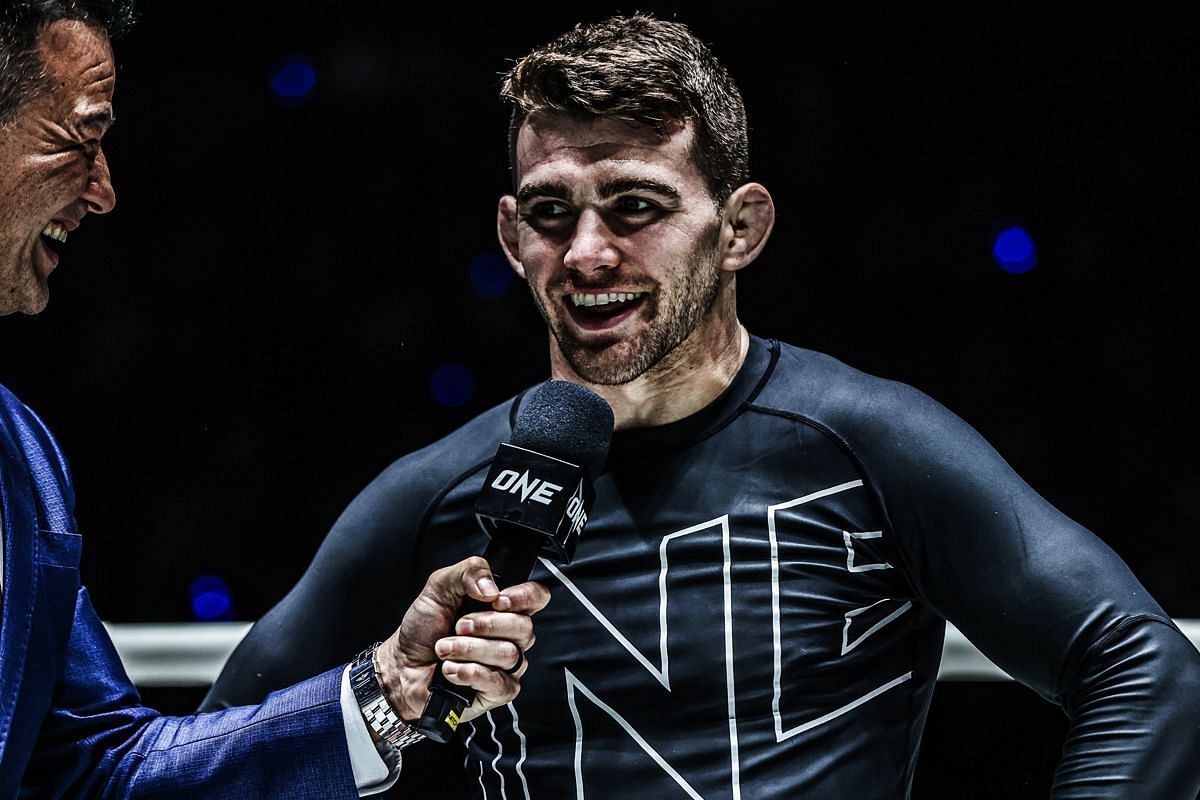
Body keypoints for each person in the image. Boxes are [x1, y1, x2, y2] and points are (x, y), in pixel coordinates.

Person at [203, 12, 1200, 799]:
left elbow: (1146, 673)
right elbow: (207, 761)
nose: (588, 251)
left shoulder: (867, 441)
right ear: (511, 236)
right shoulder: (433, 496)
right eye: (552, 211)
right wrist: (387, 694)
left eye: (635, 205)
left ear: (739, 228)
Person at [0, 2, 550, 796]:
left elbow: (101, 771)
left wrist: (389, 687)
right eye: (82, 138)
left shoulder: (23, 459)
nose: (103, 190)